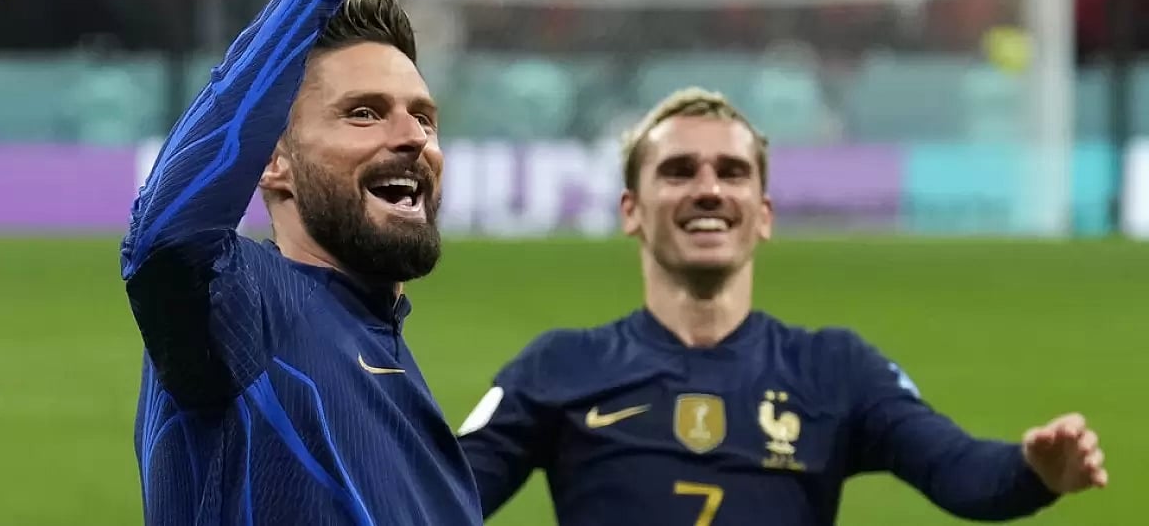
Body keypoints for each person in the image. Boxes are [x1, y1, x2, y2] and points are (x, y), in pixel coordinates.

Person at [457, 87, 1108, 525]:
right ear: (631, 210)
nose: (709, 189)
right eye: (679, 171)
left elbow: (960, 471)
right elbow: (439, 493)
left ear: (763, 213)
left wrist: (1032, 470)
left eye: (732, 172)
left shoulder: (835, 369)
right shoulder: (559, 367)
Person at [120, 0, 481, 525]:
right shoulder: (246, 311)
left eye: (424, 117)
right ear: (271, 161)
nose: (412, 137)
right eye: (364, 113)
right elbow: (166, 239)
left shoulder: (413, 406)